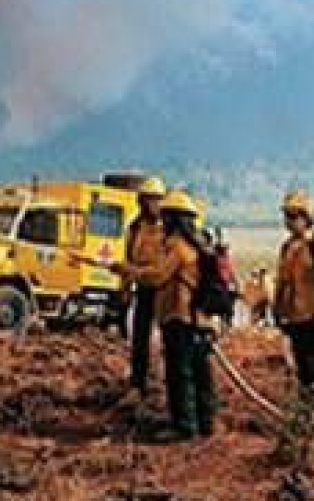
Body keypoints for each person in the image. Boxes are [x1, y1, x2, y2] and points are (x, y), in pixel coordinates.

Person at [111, 189, 217, 442]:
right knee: (200, 374)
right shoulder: (196, 245)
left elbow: (158, 276)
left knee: (180, 373)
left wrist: (129, 271)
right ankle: (204, 423)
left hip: (180, 317)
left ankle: (184, 427)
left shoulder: (178, 248)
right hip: (196, 320)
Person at [273, 190, 314, 405]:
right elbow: (282, 283)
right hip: (295, 318)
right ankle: (307, 410)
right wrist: (278, 310)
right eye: (287, 217)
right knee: (304, 370)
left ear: (307, 219)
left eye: (294, 217)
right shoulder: (287, 248)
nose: (289, 222)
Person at [123, 177, 167, 398]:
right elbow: (128, 257)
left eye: (156, 200)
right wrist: (124, 286)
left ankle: (165, 384)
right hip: (142, 288)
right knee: (139, 338)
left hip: (164, 290)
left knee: (168, 339)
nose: (152, 205)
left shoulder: (169, 229)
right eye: (148, 200)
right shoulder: (134, 228)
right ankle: (138, 383)